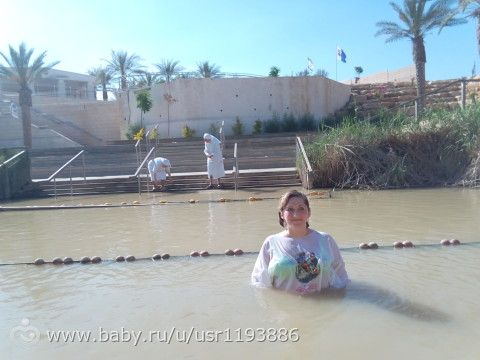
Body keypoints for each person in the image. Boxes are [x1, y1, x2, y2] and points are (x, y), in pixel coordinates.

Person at [251, 190, 348, 294]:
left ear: (309, 212)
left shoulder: (325, 240)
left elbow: (341, 278)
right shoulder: (271, 242)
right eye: (290, 209)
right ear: (282, 214)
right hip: (285, 308)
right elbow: (259, 282)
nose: (296, 214)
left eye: (301, 208)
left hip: (325, 304)